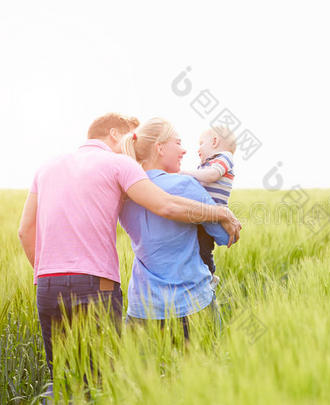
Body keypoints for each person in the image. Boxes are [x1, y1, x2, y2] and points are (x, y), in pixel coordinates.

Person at [17, 113, 241, 396]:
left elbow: (25, 231)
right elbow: (179, 213)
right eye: (178, 142)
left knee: (70, 383)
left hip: (79, 293)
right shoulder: (132, 172)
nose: (184, 149)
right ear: (115, 134)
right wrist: (220, 210)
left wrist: (49, 277)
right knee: (111, 385)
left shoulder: (56, 169)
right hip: (139, 293)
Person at [119, 118, 228, 337]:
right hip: (191, 305)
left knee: (144, 372)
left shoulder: (126, 196)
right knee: (204, 369)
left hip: (141, 308)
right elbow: (225, 236)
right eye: (178, 143)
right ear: (160, 148)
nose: (184, 150)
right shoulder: (185, 185)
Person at [180, 126, 236, 290]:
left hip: (212, 214)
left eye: (201, 143)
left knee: (204, 249)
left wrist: (186, 174)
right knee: (195, 247)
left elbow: (212, 175)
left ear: (214, 141)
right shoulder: (204, 165)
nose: (198, 149)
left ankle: (209, 276)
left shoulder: (224, 157)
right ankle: (200, 276)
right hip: (201, 214)